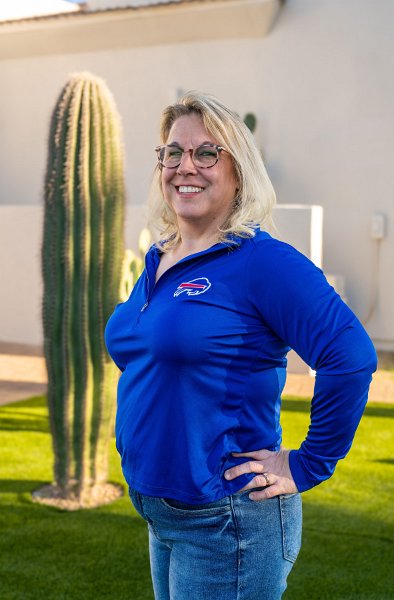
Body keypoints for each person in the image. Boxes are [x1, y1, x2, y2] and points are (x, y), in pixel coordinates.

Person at [104, 91, 377, 600]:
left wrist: (309, 462)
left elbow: (351, 356)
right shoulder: (161, 259)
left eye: (207, 153)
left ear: (239, 172)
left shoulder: (262, 262)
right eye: (173, 152)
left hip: (226, 521)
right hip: (163, 513)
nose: (186, 165)